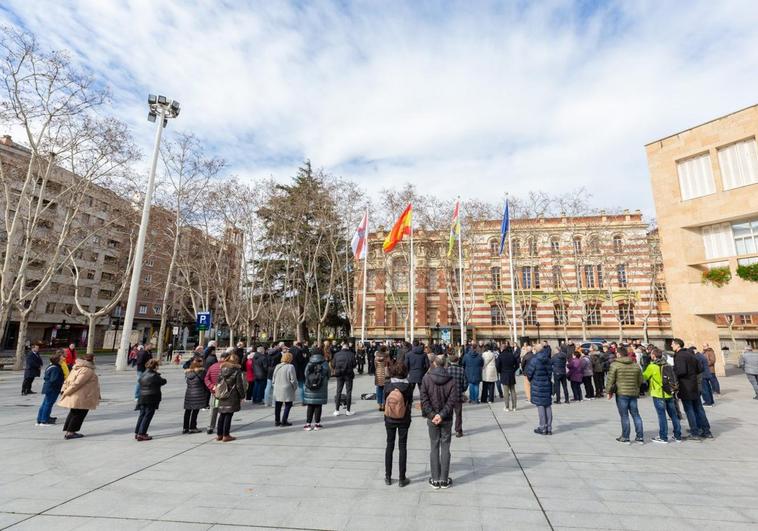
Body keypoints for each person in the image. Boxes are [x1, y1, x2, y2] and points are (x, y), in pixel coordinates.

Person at [420, 355, 458, 489]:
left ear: (434, 364)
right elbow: (452, 401)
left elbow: (424, 399)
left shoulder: (426, 378)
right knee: (446, 446)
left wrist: (432, 415)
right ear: (445, 364)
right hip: (446, 417)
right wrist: (441, 415)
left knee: (434, 446)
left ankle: (435, 479)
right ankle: (444, 479)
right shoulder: (451, 380)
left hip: (432, 418)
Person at [672, 339, 712, 439]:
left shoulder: (679, 356)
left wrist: (673, 370)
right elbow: (700, 369)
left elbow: (681, 371)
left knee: (689, 409)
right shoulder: (690, 354)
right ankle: (706, 431)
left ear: (677, 345)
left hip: (686, 386)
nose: (671, 346)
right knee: (699, 408)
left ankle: (694, 432)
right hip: (694, 385)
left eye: (672, 344)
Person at [643, 348, 682, 443]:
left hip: (658, 393)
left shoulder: (652, 366)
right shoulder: (668, 365)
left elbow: (644, 377)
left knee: (662, 416)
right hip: (669, 393)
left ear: (654, 356)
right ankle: (677, 436)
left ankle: (663, 437)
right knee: (673, 415)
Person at [383, 361, 412, 487]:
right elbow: (409, 401)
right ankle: (401, 478)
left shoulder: (387, 385)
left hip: (389, 418)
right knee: (402, 447)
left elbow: (385, 399)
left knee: (389, 446)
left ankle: (388, 476)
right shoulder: (408, 386)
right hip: (403, 418)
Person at [58, 354, 100, 440]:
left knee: (74, 412)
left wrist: (63, 390)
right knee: (79, 414)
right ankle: (71, 432)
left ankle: (69, 431)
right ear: (91, 360)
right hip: (82, 396)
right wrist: (66, 392)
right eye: (94, 359)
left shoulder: (76, 367)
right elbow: (77, 383)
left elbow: (67, 380)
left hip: (78, 395)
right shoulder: (87, 370)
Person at [606, 347, 644, 444]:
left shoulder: (615, 365)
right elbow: (640, 380)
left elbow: (610, 380)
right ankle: (640, 437)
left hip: (621, 393)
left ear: (618, 354)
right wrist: (636, 388)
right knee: (636, 414)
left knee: (624, 415)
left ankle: (625, 437)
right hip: (633, 393)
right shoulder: (636, 365)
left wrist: (608, 392)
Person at [215, 353, 246, 441]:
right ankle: (226, 435)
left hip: (222, 394)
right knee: (229, 414)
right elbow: (239, 385)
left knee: (222, 414)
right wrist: (242, 396)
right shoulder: (236, 370)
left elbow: (218, 382)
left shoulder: (221, 369)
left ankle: (219, 434)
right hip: (232, 394)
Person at [135, 359, 166, 441]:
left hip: (142, 397)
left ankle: (137, 432)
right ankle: (142, 434)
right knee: (147, 415)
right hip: (151, 397)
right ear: (155, 366)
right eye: (157, 366)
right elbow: (163, 381)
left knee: (142, 415)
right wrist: (157, 374)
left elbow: (140, 381)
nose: (158, 367)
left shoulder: (143, 374)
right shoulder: (154, 375)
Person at [525, 344, 553, 435]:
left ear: (535, 350)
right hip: (546, 384)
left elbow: (529, 373)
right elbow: (550, 373)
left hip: (537, 385)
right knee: (547, 405)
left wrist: (532, 380)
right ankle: (549, 428)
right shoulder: (548, 359)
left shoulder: (534, 360)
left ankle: (542, 427)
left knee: (540, 406)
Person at [303, 347, 330, 431]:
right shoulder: (324, 363)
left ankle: (308, 424)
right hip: (321, 387)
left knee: (310, 405)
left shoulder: (309, 362)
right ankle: (317, 424)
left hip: (310, 387)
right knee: (318, 405)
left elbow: (305, 373)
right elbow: (328, 374)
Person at [204, 349, 230, 434]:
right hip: (225, 393)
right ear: (226, 358)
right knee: (224, 410)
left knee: (214, 409)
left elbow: (206, 379)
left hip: (215, 393)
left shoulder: (213, 366)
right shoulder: (227, 368)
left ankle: (210, 426)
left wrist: (212, 387)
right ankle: (222, 427)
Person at [37, 351, 64, 426]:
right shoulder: (55, 368)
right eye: (62, 358)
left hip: (49, 388)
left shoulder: (52, 366)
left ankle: (41, 419)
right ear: (57, 360)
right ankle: (44, 420)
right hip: (52, 389)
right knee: (48, 404)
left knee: (45, 403)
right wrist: (61, 385)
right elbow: (54, 380)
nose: (63, 359)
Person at [273, 351, 298, 427]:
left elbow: (273, 377)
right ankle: (284, 420)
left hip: (277, 387)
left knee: (278, 405)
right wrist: (295, 387)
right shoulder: (291, 367)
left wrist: (274, 385)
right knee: (288, 404)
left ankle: (277, 421)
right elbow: (293, 380)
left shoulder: (277, 366)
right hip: (287, 388)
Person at [445, 353, 467, 437]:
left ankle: (447, 431)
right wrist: (462, 389)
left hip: (448, 396)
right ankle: (458, 430)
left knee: (448, 414)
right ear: (457, 361)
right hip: (458, 395)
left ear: (450, 361)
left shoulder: (447, 370)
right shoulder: (462, 370)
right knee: (458, 414)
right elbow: (465, 383)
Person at [183, 358, 207, 434]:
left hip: (189, 393)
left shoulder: (188, 373)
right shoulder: (201, 372)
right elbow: (205, 382)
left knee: (188, 411)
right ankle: (192, 427)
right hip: (198, 393)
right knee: (195, 411)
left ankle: (185, 427)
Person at [332, 342, 356, 416]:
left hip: (339, 374)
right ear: (348, 347)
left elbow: (333, 365)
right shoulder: (351, 354)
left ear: (342, 347)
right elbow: (354, 364)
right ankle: (348, 410)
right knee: (348, 391)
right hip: (348, 374)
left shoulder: (336, 354)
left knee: (338, 391)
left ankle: (337, 410)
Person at [496, 344, 519, 411]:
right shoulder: (512, 355)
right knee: (513, 390)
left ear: (502, 349)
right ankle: (514, 407)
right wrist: (513, 370)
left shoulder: (500, 356)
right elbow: (517, 364)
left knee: (506, 391)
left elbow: (497, 366)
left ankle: (507, 407)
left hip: (504, 374)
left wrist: (500, 371)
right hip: (511, 373)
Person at [374, 346, 388, 411]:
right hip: (385, 374)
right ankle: (384, 405)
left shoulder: (376, 357)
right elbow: (388, 365)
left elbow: (375, 365)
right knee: (385, 390)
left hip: (378, 374)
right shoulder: (386, 357)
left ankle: (379, 405)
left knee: (378, 390)